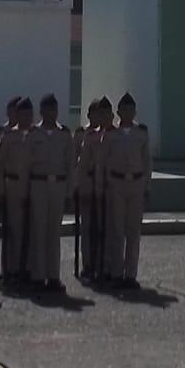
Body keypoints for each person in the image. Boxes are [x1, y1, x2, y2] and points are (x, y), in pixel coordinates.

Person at [102, 93, 151, 289]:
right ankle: (116, 272)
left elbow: (147, 162)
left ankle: (130, 274)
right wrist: (105, 184)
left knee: (133, 231)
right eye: (124, 110)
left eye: (131, 110)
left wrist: (147, 186)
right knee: (117, 230)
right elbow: (104, 162)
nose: (128, 113)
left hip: (136, 184)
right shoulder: (111, 135)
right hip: (117, 183)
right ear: (118, 112)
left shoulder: (141, 133)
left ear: (135, 112)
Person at [27, 94, 74, 292]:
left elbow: (70, 165)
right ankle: (38, 276)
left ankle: (53, 276)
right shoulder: (33, 134)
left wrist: (69, 193)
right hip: (38, 184)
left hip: (58, 185)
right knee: (39, 231)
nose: (51, 114)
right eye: (47, 110)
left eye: (53, 110)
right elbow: (26, 164)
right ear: (41, 112)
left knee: (54, 233)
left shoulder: (64, 134)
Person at [0, 97, 34, 285]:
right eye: (23, 114)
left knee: (32, 231)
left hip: (33, 186)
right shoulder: (8, 136)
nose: (26, 118)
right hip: (12, 185)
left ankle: (27, 268)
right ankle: (10, 269)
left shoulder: (36, 135)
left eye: (29, 114)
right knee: (13, 231)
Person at [76, 96, 110, 282]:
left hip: (103, 185)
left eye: (100, 113)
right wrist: (78, 187)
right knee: (87, 227)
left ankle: (103, 263)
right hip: (87, 183)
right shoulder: (82, 134)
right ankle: (88, 264)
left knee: (103, 226)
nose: (97, 117)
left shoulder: (109, 133)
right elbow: (75, 162)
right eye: (94, 113)